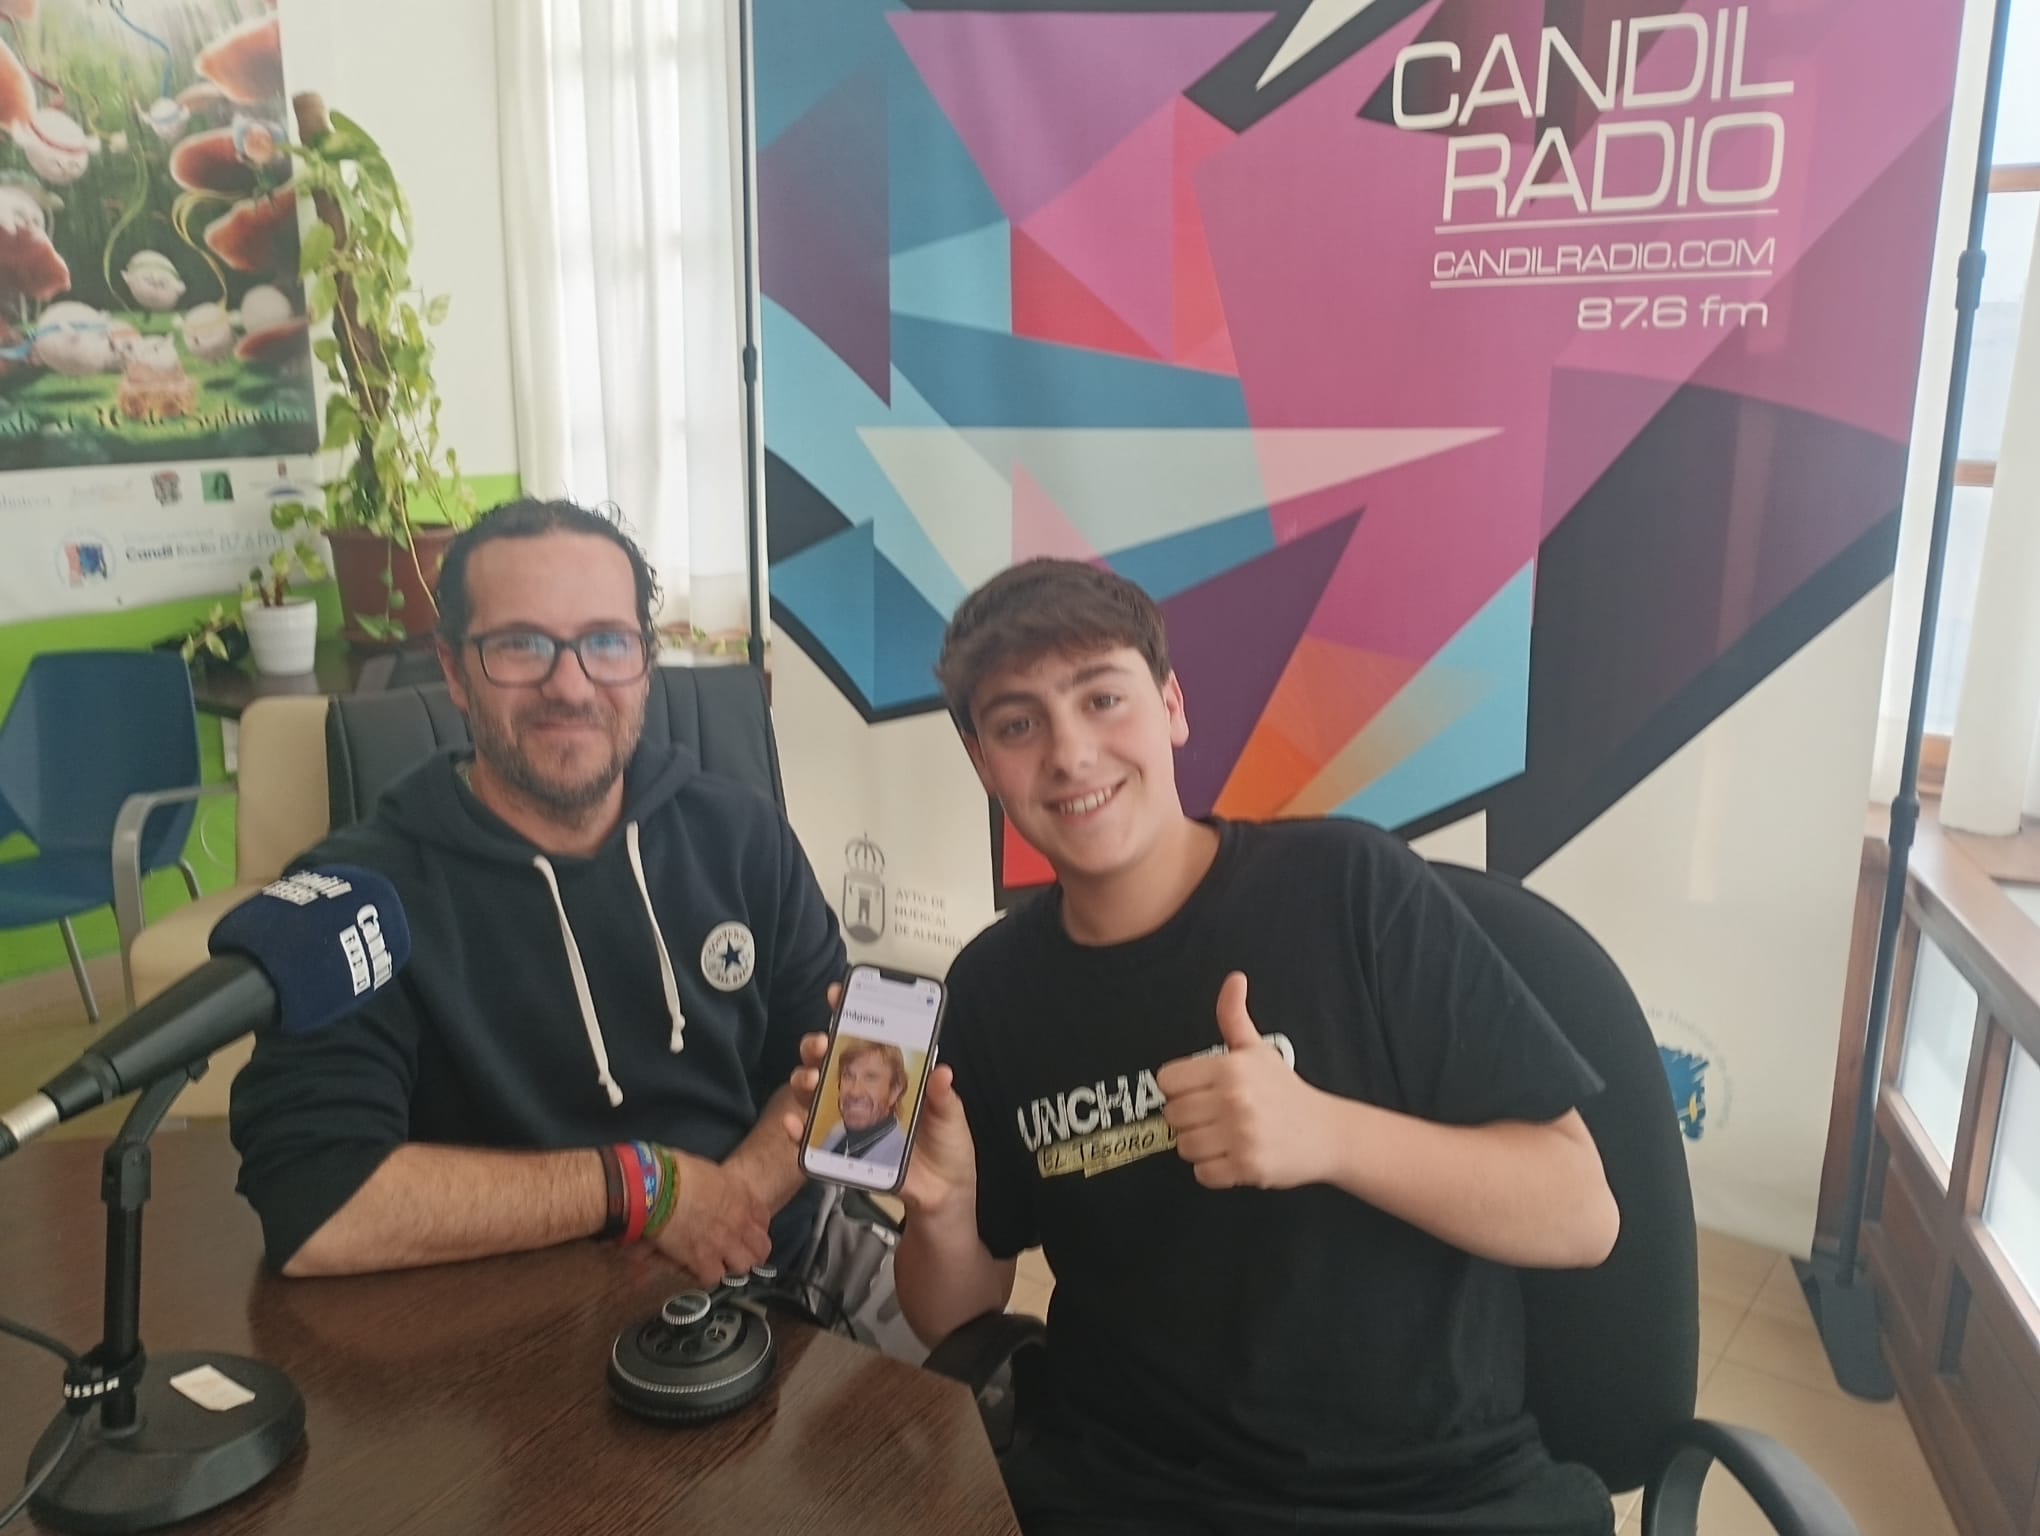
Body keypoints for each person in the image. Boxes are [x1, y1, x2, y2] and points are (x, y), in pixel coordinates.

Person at [788, 559, 1622, 1535]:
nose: (1070, 754)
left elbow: (1580, 1212)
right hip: (1123, 1492)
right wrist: (943, 1208)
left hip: (1429, 1495)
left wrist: (1327, 1135)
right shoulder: (993, 988)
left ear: (1173, 706)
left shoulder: (1349, 889)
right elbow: (958, 1320)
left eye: (1103, 699)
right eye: (1018, 725)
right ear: (983, 762)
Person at [231, 498, 844, 1286]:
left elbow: (843, 1075)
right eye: (521, 645)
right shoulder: (360, 903)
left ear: (645, 661)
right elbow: (318, 1207)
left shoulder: (745, 836)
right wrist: (642, 1191)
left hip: (771, 1279)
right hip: (518, 1327)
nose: (570, 685)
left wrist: (725, 1217)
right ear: (454, 671)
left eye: (607, 641)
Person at [816, 1038, 911, 1167]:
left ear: (895, 1091)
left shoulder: (904, 1158)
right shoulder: (836, 1134)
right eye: (848, 1076)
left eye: (870, 1078)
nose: (855, 1092)